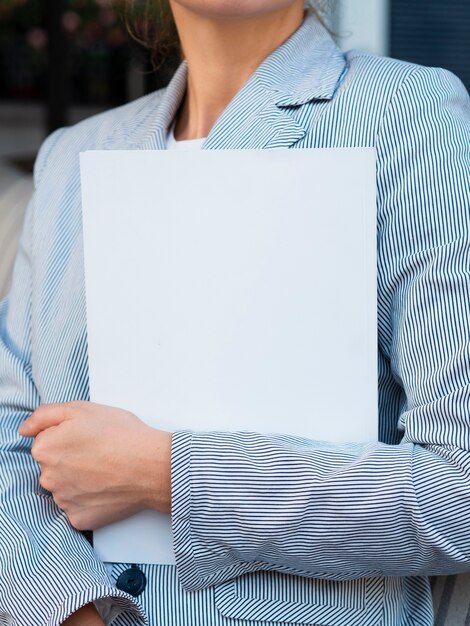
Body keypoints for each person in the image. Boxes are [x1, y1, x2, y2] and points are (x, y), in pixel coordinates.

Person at [1, 1, 469, 625]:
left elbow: (456, 490)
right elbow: (11, 427)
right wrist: (71, 606)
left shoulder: (410, 115)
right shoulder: (71, 160)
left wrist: (168, 475)